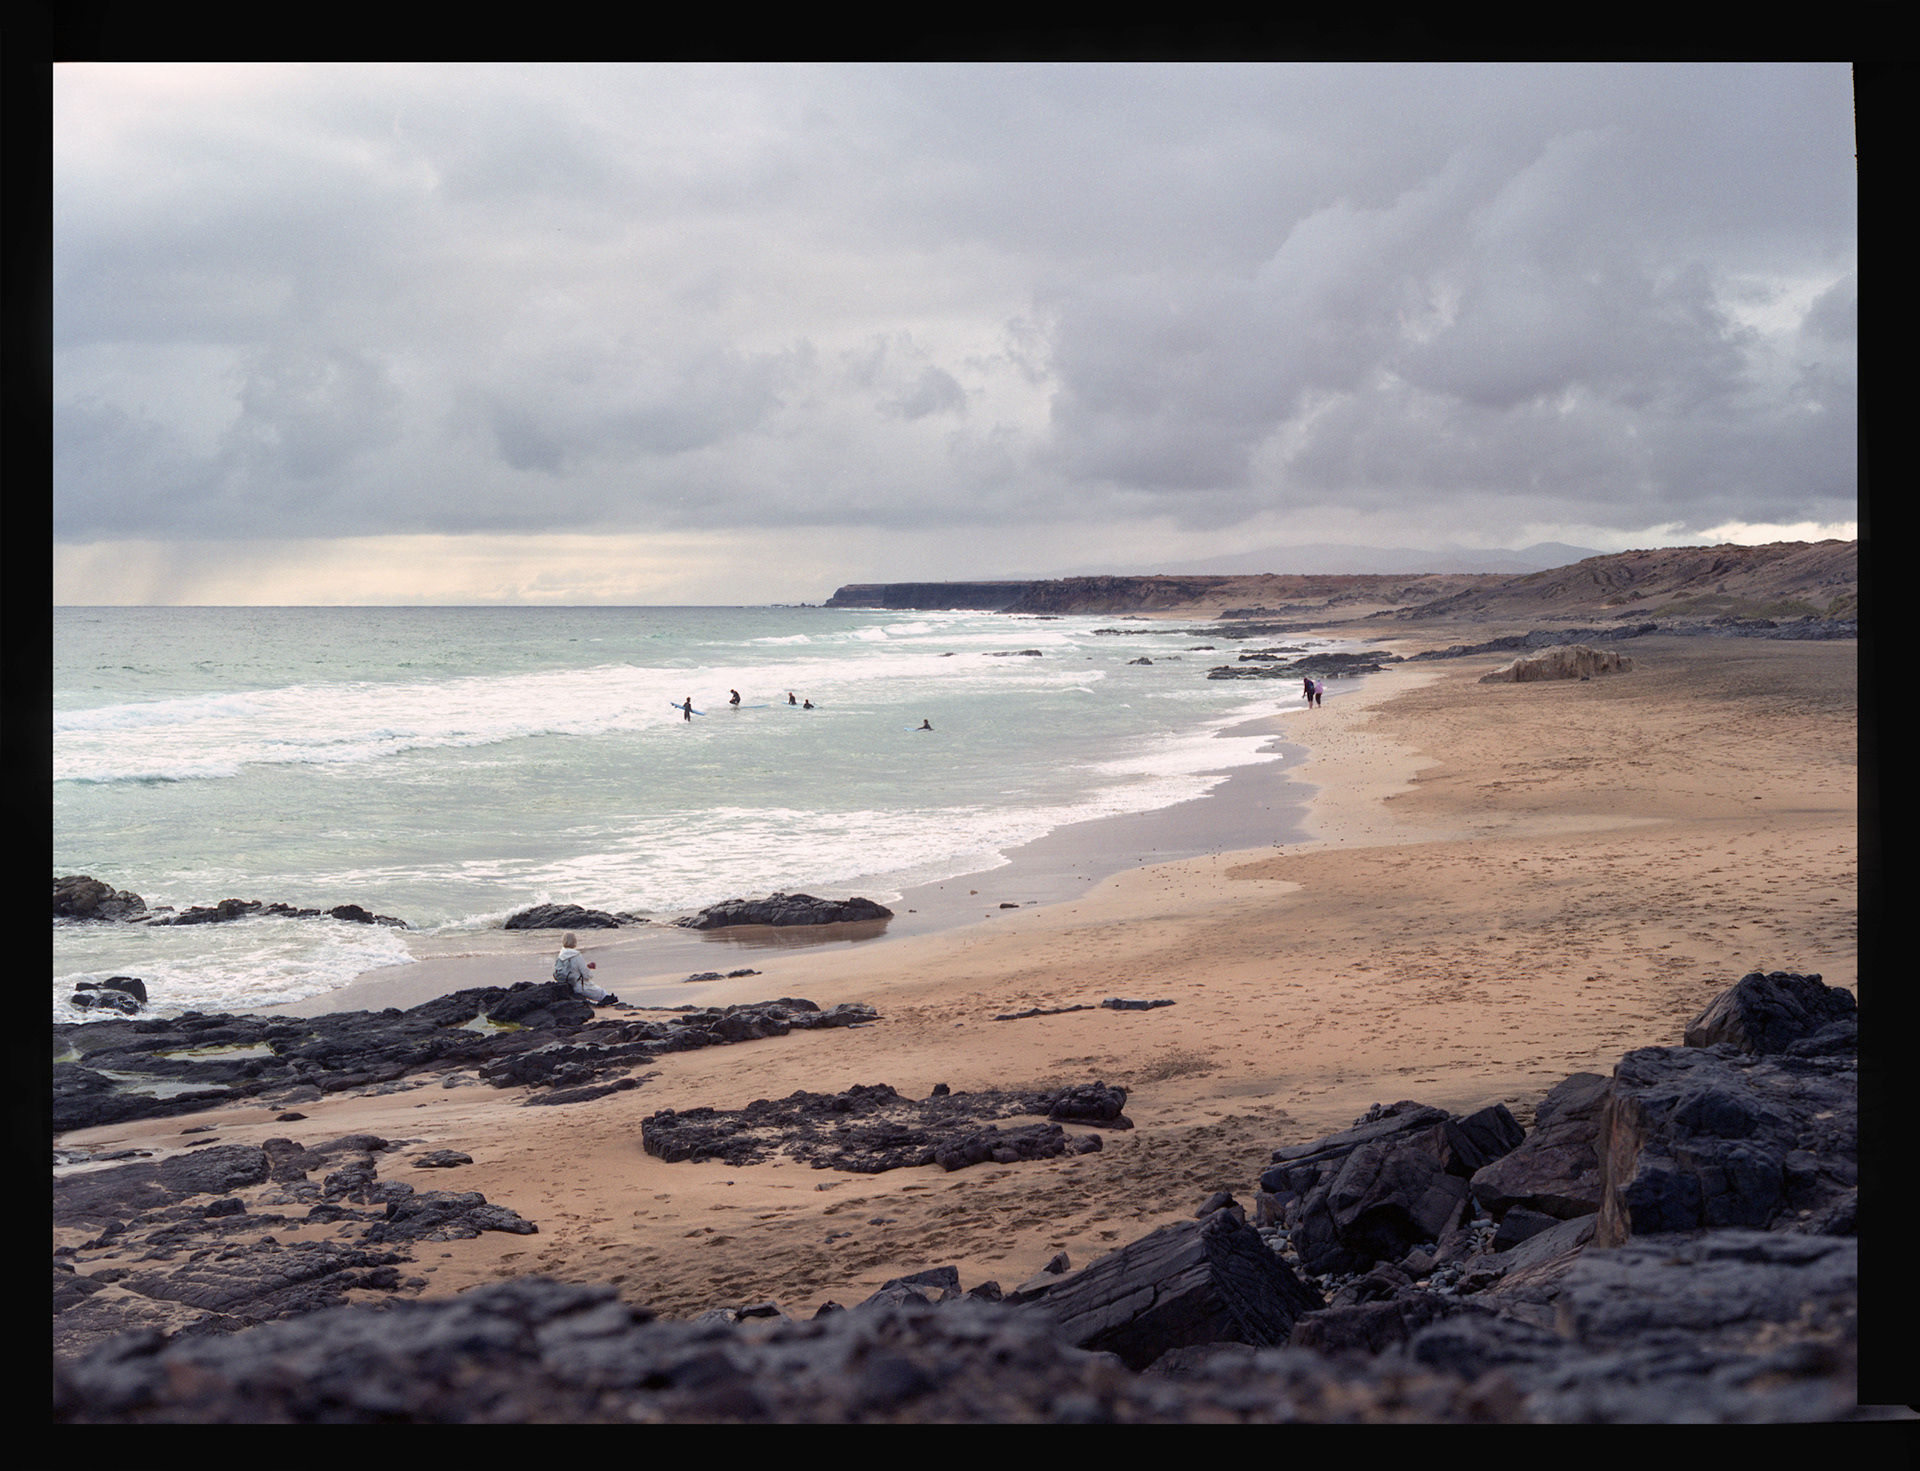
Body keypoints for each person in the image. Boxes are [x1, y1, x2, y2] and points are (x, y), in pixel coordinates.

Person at [553, 932, 617, 1005]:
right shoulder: (576, 955)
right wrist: (590, 974)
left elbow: (569, 968)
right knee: (604, 994)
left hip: (566, 984)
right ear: (574, 941)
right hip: (579, 987)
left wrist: (587, 966)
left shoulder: (561, 955)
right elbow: (586, 974)